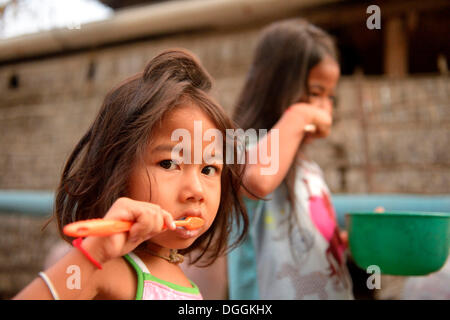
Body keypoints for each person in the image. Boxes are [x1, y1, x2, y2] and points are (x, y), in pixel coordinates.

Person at [13, 49, 250, 300]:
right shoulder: (108, 268)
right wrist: (91, 256)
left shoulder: (184, 281)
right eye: (169, 164)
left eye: (208, 169)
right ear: (118, 169)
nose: (196, 191)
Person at [182, 18, 352, 300]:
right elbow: (257, 181)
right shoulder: (240, 149)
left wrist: (339, 244)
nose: (324, 108)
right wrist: (300, 115)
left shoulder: (310, 170)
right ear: (275, 86)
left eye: (330, 97)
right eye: (315, 93)